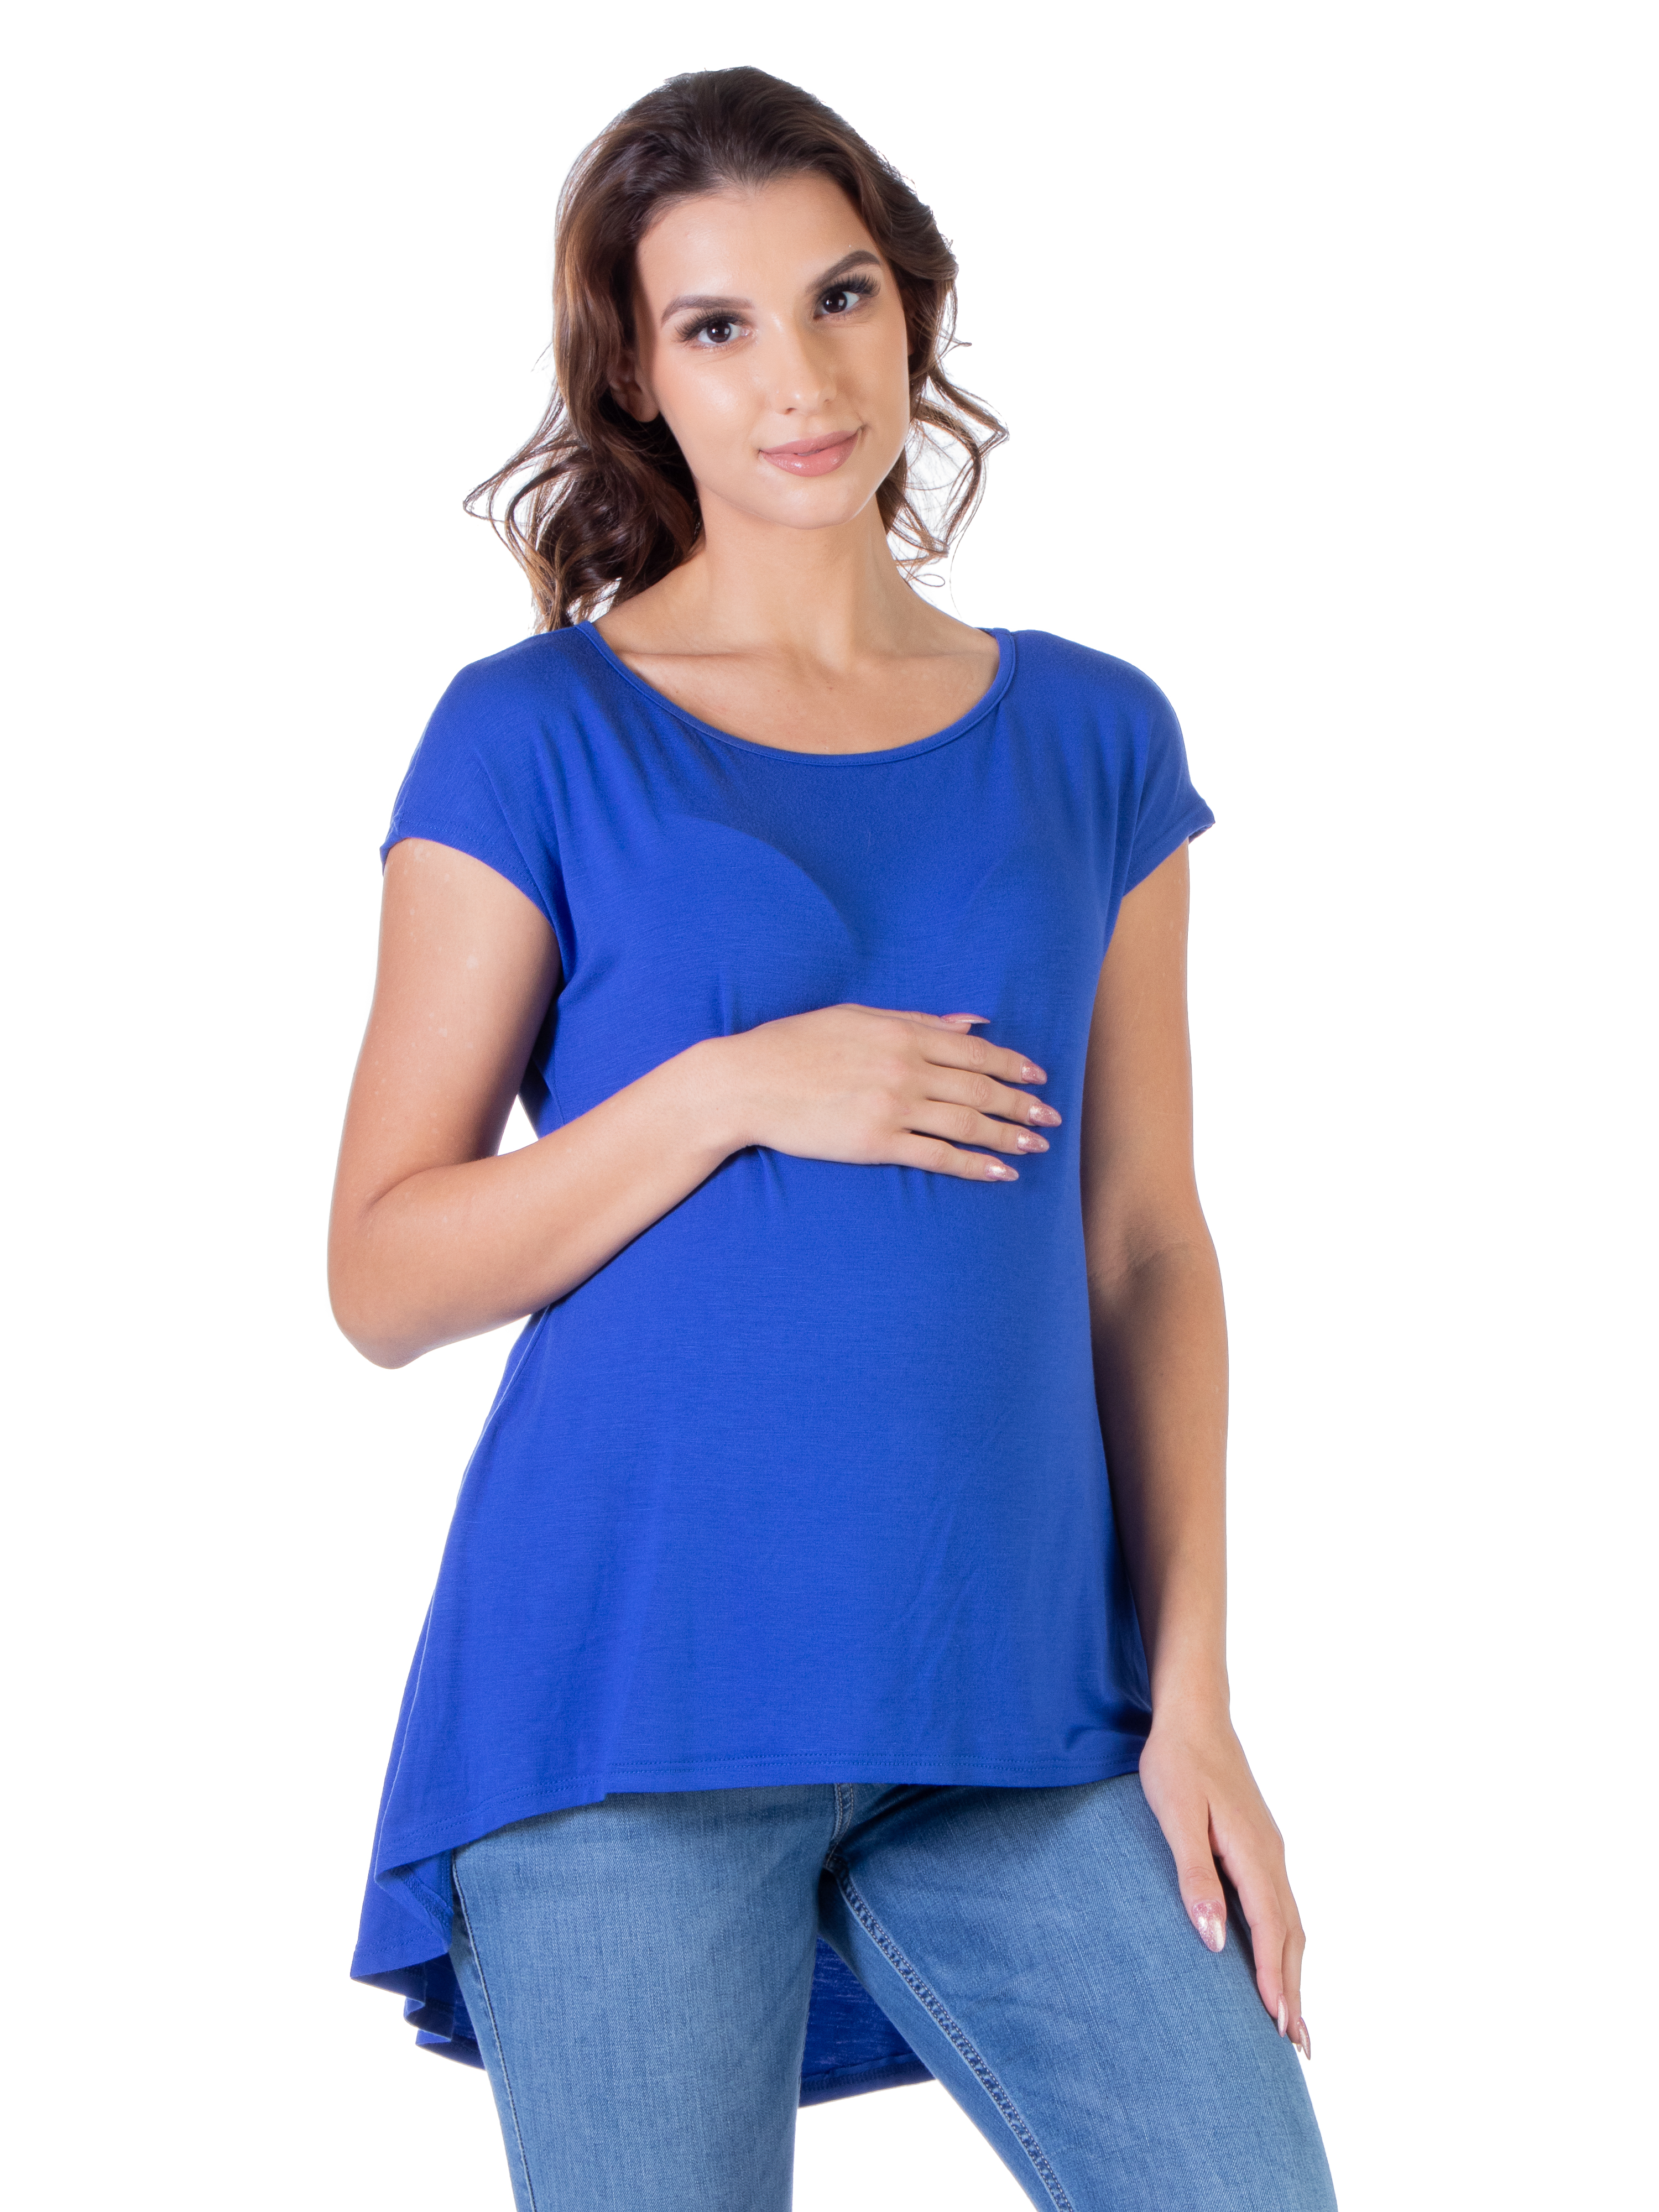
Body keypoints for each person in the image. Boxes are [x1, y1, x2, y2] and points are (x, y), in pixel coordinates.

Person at [331, 64, 1338, 2212]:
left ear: (911, 308)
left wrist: (1196, 1695)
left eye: (840, 296)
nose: (799, 377)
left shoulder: (1092, 731)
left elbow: (1145, 1242)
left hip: (1026, 1706)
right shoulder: (533, 735)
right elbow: (386, 1268)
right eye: (718, 326)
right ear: (638, 372)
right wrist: (725, 1088)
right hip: (631, 1701)